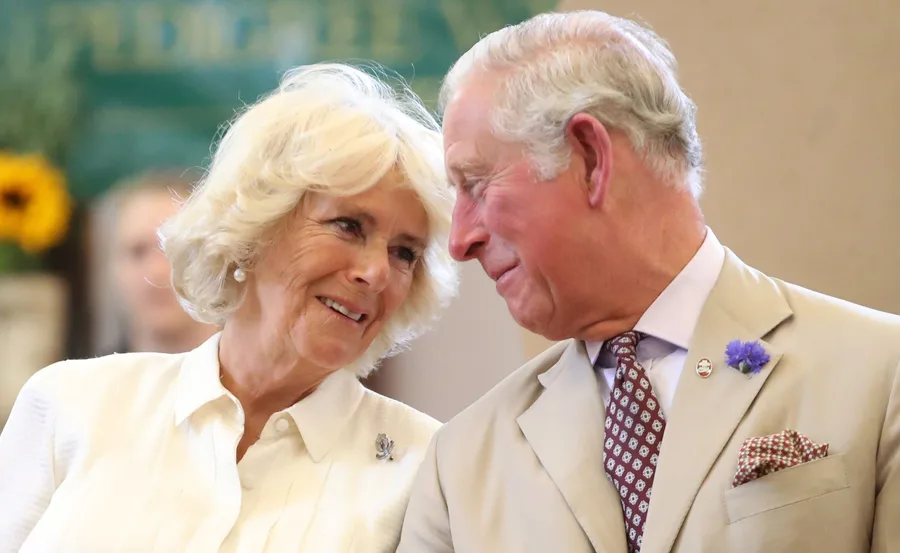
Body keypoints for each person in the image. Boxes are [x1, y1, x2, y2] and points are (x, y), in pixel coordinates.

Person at [398, 10, 900, 553]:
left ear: (591, 157)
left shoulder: (880, 373)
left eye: (476, 184)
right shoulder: (460, 463)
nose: (459, 240)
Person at [0, 62, 458, 552]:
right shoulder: (73, 404)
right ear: (257, 227)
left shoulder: (426, 465)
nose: (377, 272)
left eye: (404, 252)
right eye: (348, 226)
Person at [98, 168, 218, 354]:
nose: (156, 272)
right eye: (137, 252)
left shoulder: (261, 380)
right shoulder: (86, 381)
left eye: (176, 251)